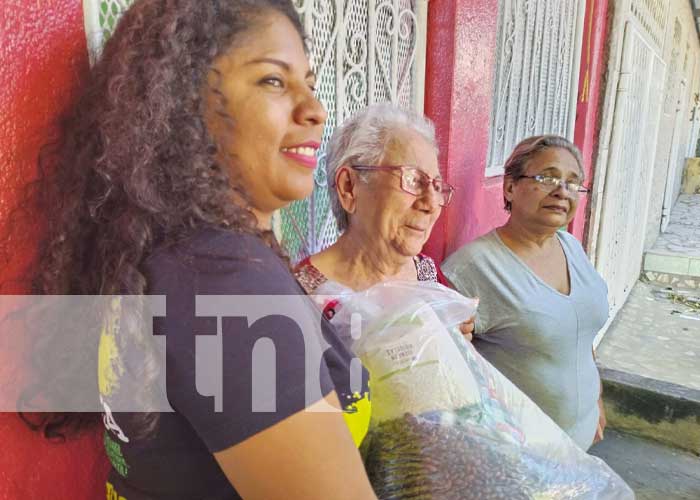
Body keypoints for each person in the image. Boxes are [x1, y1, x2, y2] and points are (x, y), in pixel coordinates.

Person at [18, 1, 377, 498]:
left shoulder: (167, 254)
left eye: (309, 83)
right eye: (273, 80)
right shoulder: (225, 282)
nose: (315, 109)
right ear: (184, 102)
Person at [441, 135, 608, 450]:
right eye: (547, 177)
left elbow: (581, 334)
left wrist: (595, 399)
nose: (562, 191)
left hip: (578, 440)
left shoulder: (571, 247)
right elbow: (449, 373)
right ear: (509, 187)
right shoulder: (472, 268)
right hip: (517, 452)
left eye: (573, 183)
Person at [294, 104, 474, 337]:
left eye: (437, 186)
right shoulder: (301, 297)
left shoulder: (427, 275)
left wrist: (457, 342)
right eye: (413, 180)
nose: (430, 204)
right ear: (349, 187)